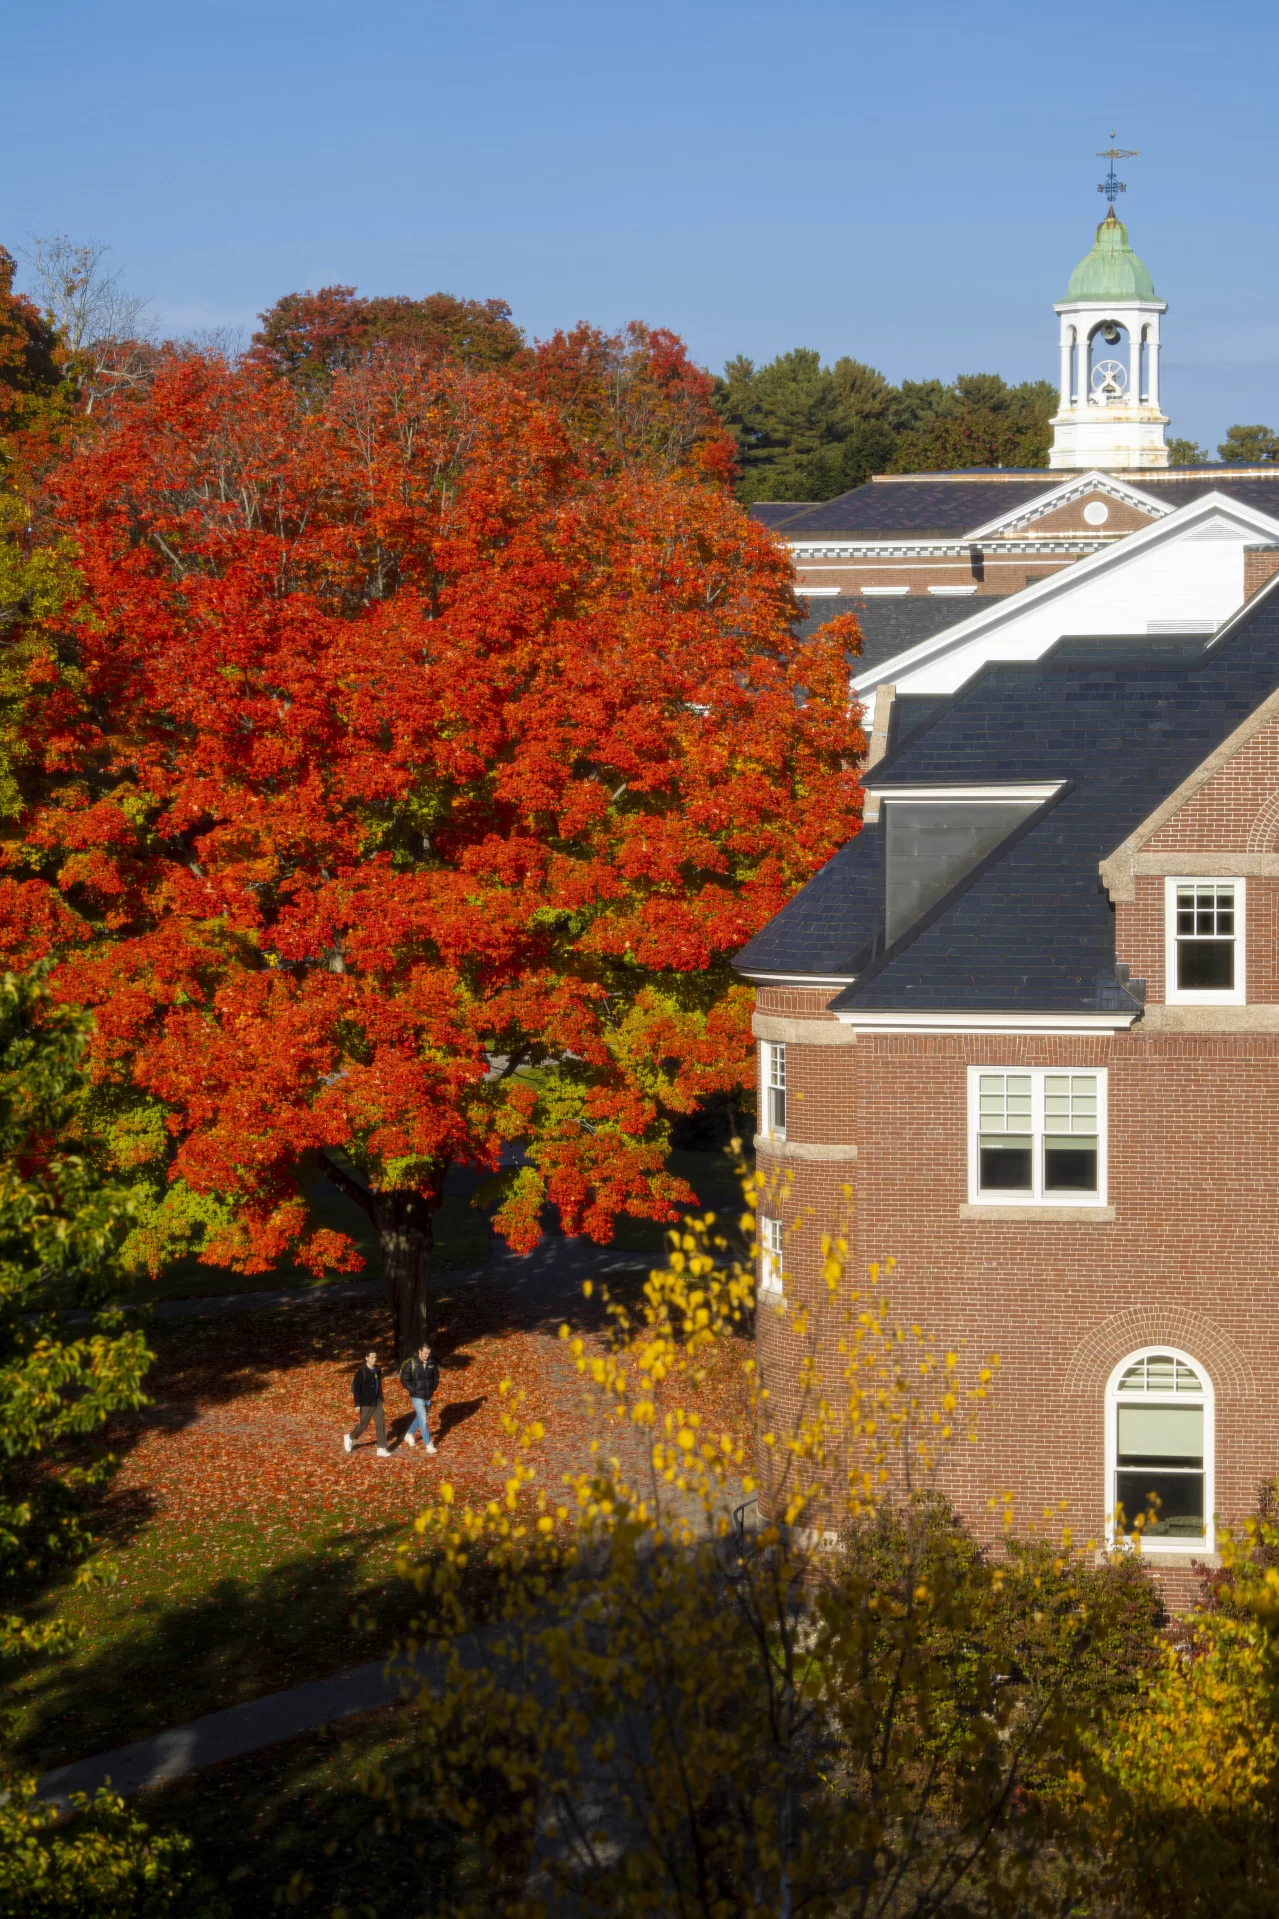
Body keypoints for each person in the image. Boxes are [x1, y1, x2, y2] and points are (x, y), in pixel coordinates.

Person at [344, 1350, 391, 1455]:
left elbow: (379, 1385)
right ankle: (350, 1437)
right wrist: (357, 1405)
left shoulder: (377, 1370)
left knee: (381, 1424)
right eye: (372, 1357)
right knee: (363, 1425)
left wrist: (381, 1398)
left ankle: (381, 1448)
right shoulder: (361, 1372)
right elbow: (356, 1389)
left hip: (377, 1402)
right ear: (367, 1358)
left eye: (375, 1357)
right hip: (365, 1403)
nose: (374, 1359)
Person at [399, 1342, 440, 1454]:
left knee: (420, 1417)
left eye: (429, 1353)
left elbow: (436, 1377)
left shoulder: (432, 1363)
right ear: (420, 1351)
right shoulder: (411, 1363)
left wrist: (433, 1388)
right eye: (425, 1353)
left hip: (428, 1395)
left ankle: (409, 1434)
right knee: (423, 1419)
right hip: (416, 1396)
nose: (427, 1355)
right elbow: (404, 1380)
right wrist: (413, 1390)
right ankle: (428, 1444)